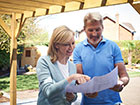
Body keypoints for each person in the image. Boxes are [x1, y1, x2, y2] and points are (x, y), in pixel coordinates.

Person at [73, 12, 130, 105]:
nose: (94, 34)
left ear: (102, 28)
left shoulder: (113, 46)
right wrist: (85, 87)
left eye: (97, 29)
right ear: (84, 29)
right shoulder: (78, 49)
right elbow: (79, 76)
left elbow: (124, 75)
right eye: (90, 30)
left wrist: (121, 82)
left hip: (113, 102)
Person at [36, 25, 90, 105]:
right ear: (56, 45)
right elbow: (48, 91)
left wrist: (72, 97)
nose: (71, 47)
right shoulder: (44, 61)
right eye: (66, 44)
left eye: (73, 43)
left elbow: (73, 95)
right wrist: (71, 78)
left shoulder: (72, 66)